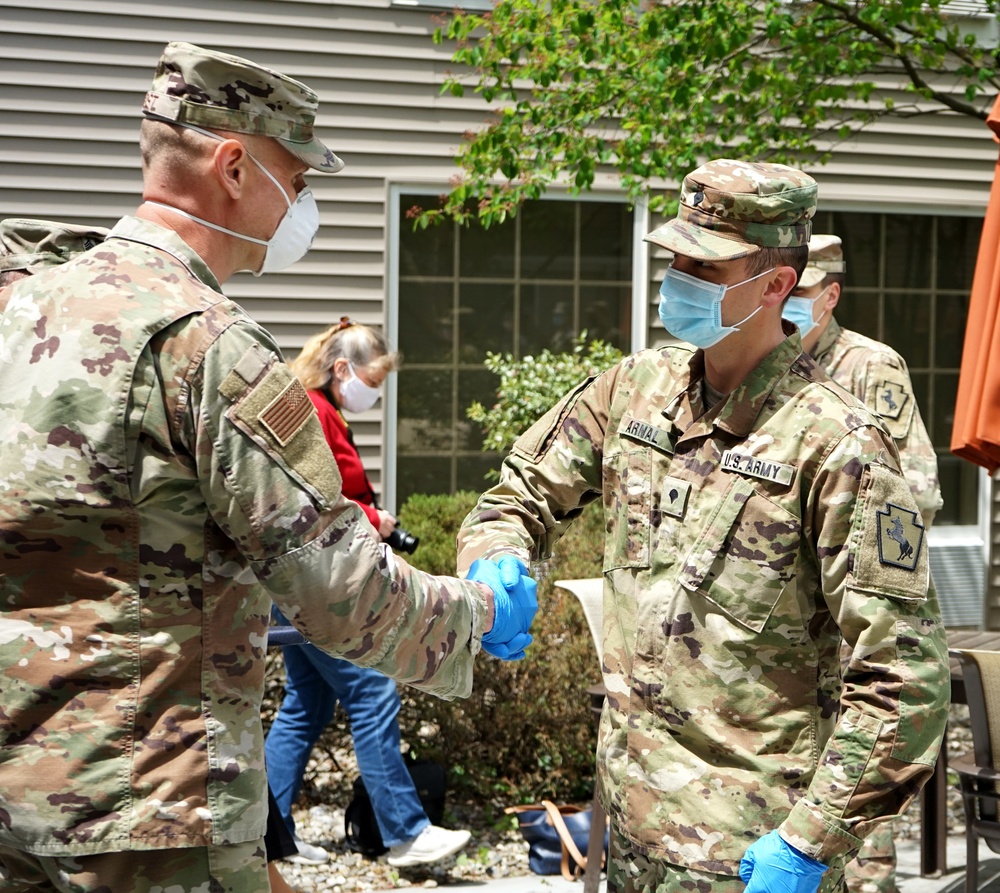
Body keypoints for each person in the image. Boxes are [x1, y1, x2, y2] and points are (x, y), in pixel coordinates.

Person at [0, 42, 535, 893]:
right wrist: (481, 611)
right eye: (301, 178)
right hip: (151, 810)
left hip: (21, 805)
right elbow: (342, 595)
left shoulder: (25, 306)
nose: (306, 204)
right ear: (236, 166)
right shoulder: (207, 343)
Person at [456, 159, 949, 893]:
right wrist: (493, 556)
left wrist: (810, 840)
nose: (677, 277)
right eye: (677, 256)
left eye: (705, 265)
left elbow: (905, 677)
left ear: (778, 284)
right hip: (629, 839)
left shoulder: (838, 443)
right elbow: (522, 487)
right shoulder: (636, 389)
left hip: (750, 855)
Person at [0, 216, 305, 893]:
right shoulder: (199, 340)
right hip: (149, 796)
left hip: (35, 795)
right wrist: (474, 615)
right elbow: (330, 575)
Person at [266, 319, 471, 867]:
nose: (374, 391)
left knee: (305, 705)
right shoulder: (313, 413)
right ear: (341, 369)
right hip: (316, 584)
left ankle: (267, 836)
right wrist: (370, 518)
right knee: (372, 689)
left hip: (301, 582)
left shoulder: (319, 411)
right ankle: (405, 832)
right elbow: (309, 500)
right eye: (372, 379)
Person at [784, 235, 943, 893]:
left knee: (859, 796)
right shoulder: (762, 364)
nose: (785, 307)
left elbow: (919, 487)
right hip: (790, 629)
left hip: (855, 616)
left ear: (830, 295)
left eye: (797, 296)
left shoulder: (870, 365)